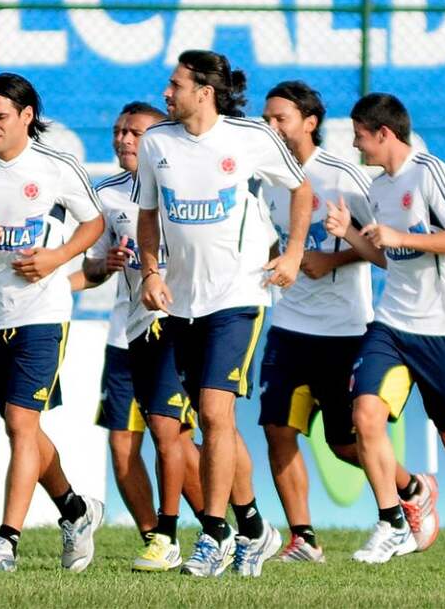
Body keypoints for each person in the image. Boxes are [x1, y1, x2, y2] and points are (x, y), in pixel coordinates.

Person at [136, 50, 314, 578]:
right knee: (217, 422)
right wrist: (151, 271)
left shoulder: (249, 138)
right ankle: (255, 528)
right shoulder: (157, 143)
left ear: (204, 92)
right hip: (181, 302)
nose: (166, 94)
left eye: (175, 85)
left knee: (215, 413)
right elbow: (148, 215)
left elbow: (301, 187)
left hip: (240, 295)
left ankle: (214, 534)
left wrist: (296, 252)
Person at [259, 81, 439, 563]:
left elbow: (387, 252)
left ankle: (413, 488)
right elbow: (271, 241)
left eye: (281, 119)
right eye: (266, 118)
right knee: (277, 428)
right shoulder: (266, 177)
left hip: (344, 330)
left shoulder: (344, 177)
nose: (271, 127)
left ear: (310, 123)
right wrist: (278, 260)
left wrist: (330, 260)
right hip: (288, 327)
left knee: (344, 444)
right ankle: (304, 539)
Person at [0, 73, 106, 572]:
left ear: (27, 117)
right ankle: (75, 511)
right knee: (27, 430)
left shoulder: (56, 167)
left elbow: (94, 222)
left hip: (44, 312)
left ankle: (6, 543)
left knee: (20, 424)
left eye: (0, 117)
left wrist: (56, 258)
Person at [325, 92, 445, 566]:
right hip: (392, 325)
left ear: (384, 133)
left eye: (360, 136)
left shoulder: (430, 172)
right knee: (365, 415)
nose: (357, 146)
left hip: (443, 332)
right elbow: (389, 258)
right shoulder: (378, 189)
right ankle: (392, 522)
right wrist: (352, 235)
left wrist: (402, 235)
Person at [80, 102, 204, 572]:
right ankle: (155, 538)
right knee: (121, 444)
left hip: (176, 330)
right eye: (118, 132)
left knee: (172, 437)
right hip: (123, 334)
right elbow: (90, 269)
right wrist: (102, 264)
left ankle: (218, 529)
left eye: (134, 132)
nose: (123, 140)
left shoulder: (187, 187)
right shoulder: (106, 195)